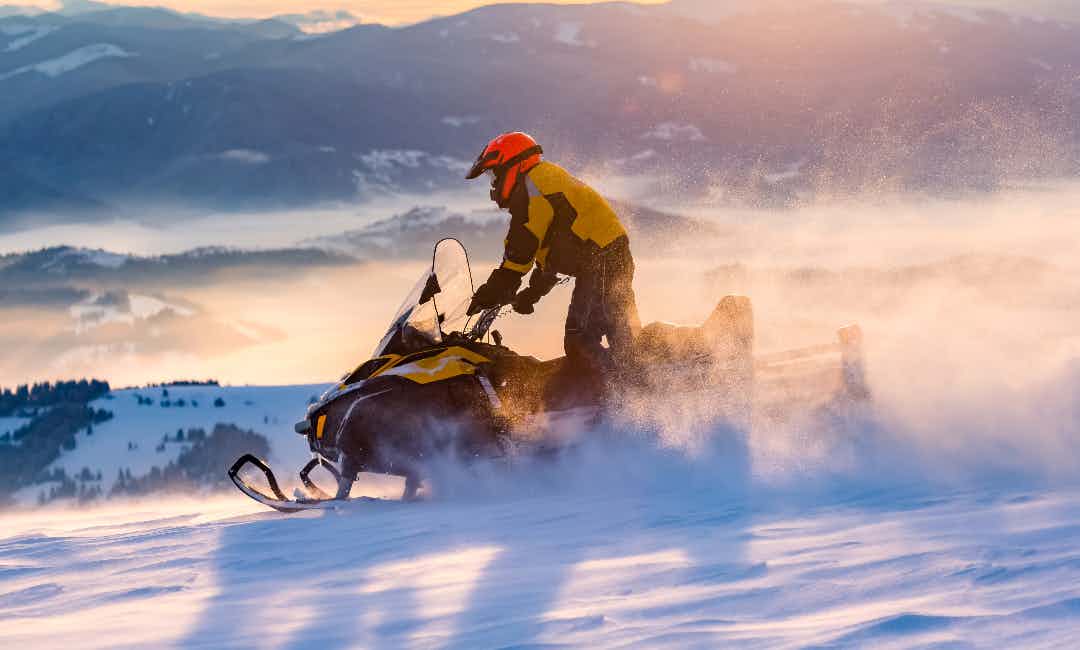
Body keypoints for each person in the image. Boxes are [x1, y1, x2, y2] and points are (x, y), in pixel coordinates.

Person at [465, 132, 640, 374]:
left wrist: (491, 292)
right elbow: (550, 251)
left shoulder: (533, 188)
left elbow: (521, 250)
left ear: (514, 165)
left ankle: (629, 397)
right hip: (604, 259)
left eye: (495, 175)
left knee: (581, 340)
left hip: (603, 261)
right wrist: (531, 294)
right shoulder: (541, 182)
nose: (493, 185)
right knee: (617, 334)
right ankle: (634, 383)